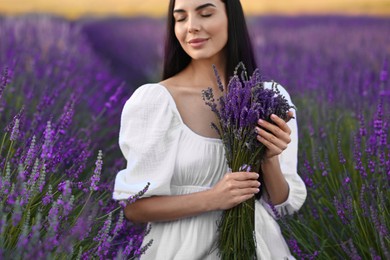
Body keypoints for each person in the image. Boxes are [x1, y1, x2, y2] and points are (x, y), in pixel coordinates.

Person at [113, 0, 307, 259]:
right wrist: (213, 198)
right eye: (180, 18)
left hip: (259, 247)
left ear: (232, 19)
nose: (191, 27)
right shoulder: (156, 101)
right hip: (181, 249)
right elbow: (134, 208)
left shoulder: (269, 97)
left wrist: (269, 158)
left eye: (205, 13)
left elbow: (283, 205)